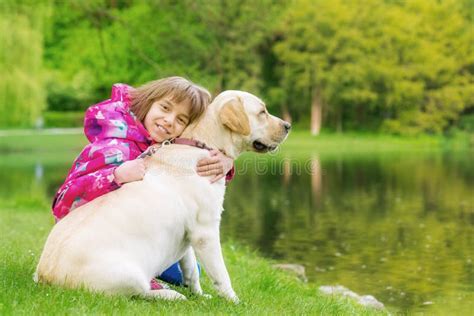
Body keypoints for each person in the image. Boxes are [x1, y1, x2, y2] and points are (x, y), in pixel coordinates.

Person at [51, 76, 234, 290]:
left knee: (184, 271)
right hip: (88, 242)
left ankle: (140, 271)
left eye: (181, 119)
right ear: (148, 101)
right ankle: (133, 278)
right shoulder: (114, 148)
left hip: (133, 232)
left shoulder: (163, 146)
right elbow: (63, 203)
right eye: (165, 108)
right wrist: (115, 175)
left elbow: (193, 167)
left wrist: (225, 161)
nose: (169, 120)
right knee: (166, 269)